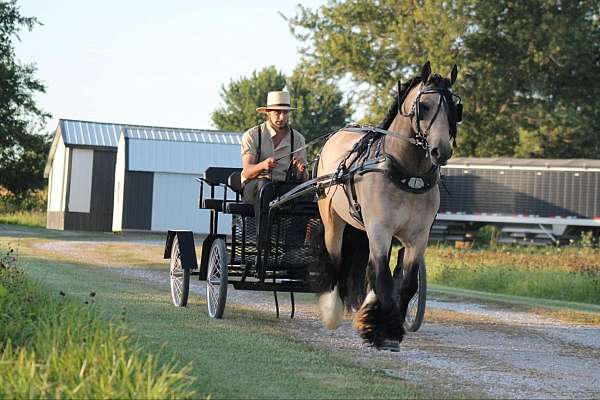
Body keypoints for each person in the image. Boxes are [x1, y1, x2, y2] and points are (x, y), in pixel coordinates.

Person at [240, 90, 308, 225]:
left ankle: (295, 243)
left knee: (306, 193)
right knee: (265, 187)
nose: (282, 117)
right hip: (255, 187)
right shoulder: (252, 135)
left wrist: (301, 170)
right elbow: (247, 172)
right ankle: (263, 241)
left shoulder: (298, 139)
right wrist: (263, 165)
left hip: (284, 187)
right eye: (277, 112)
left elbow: (304, 179)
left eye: (285, 112)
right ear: (268, 112)